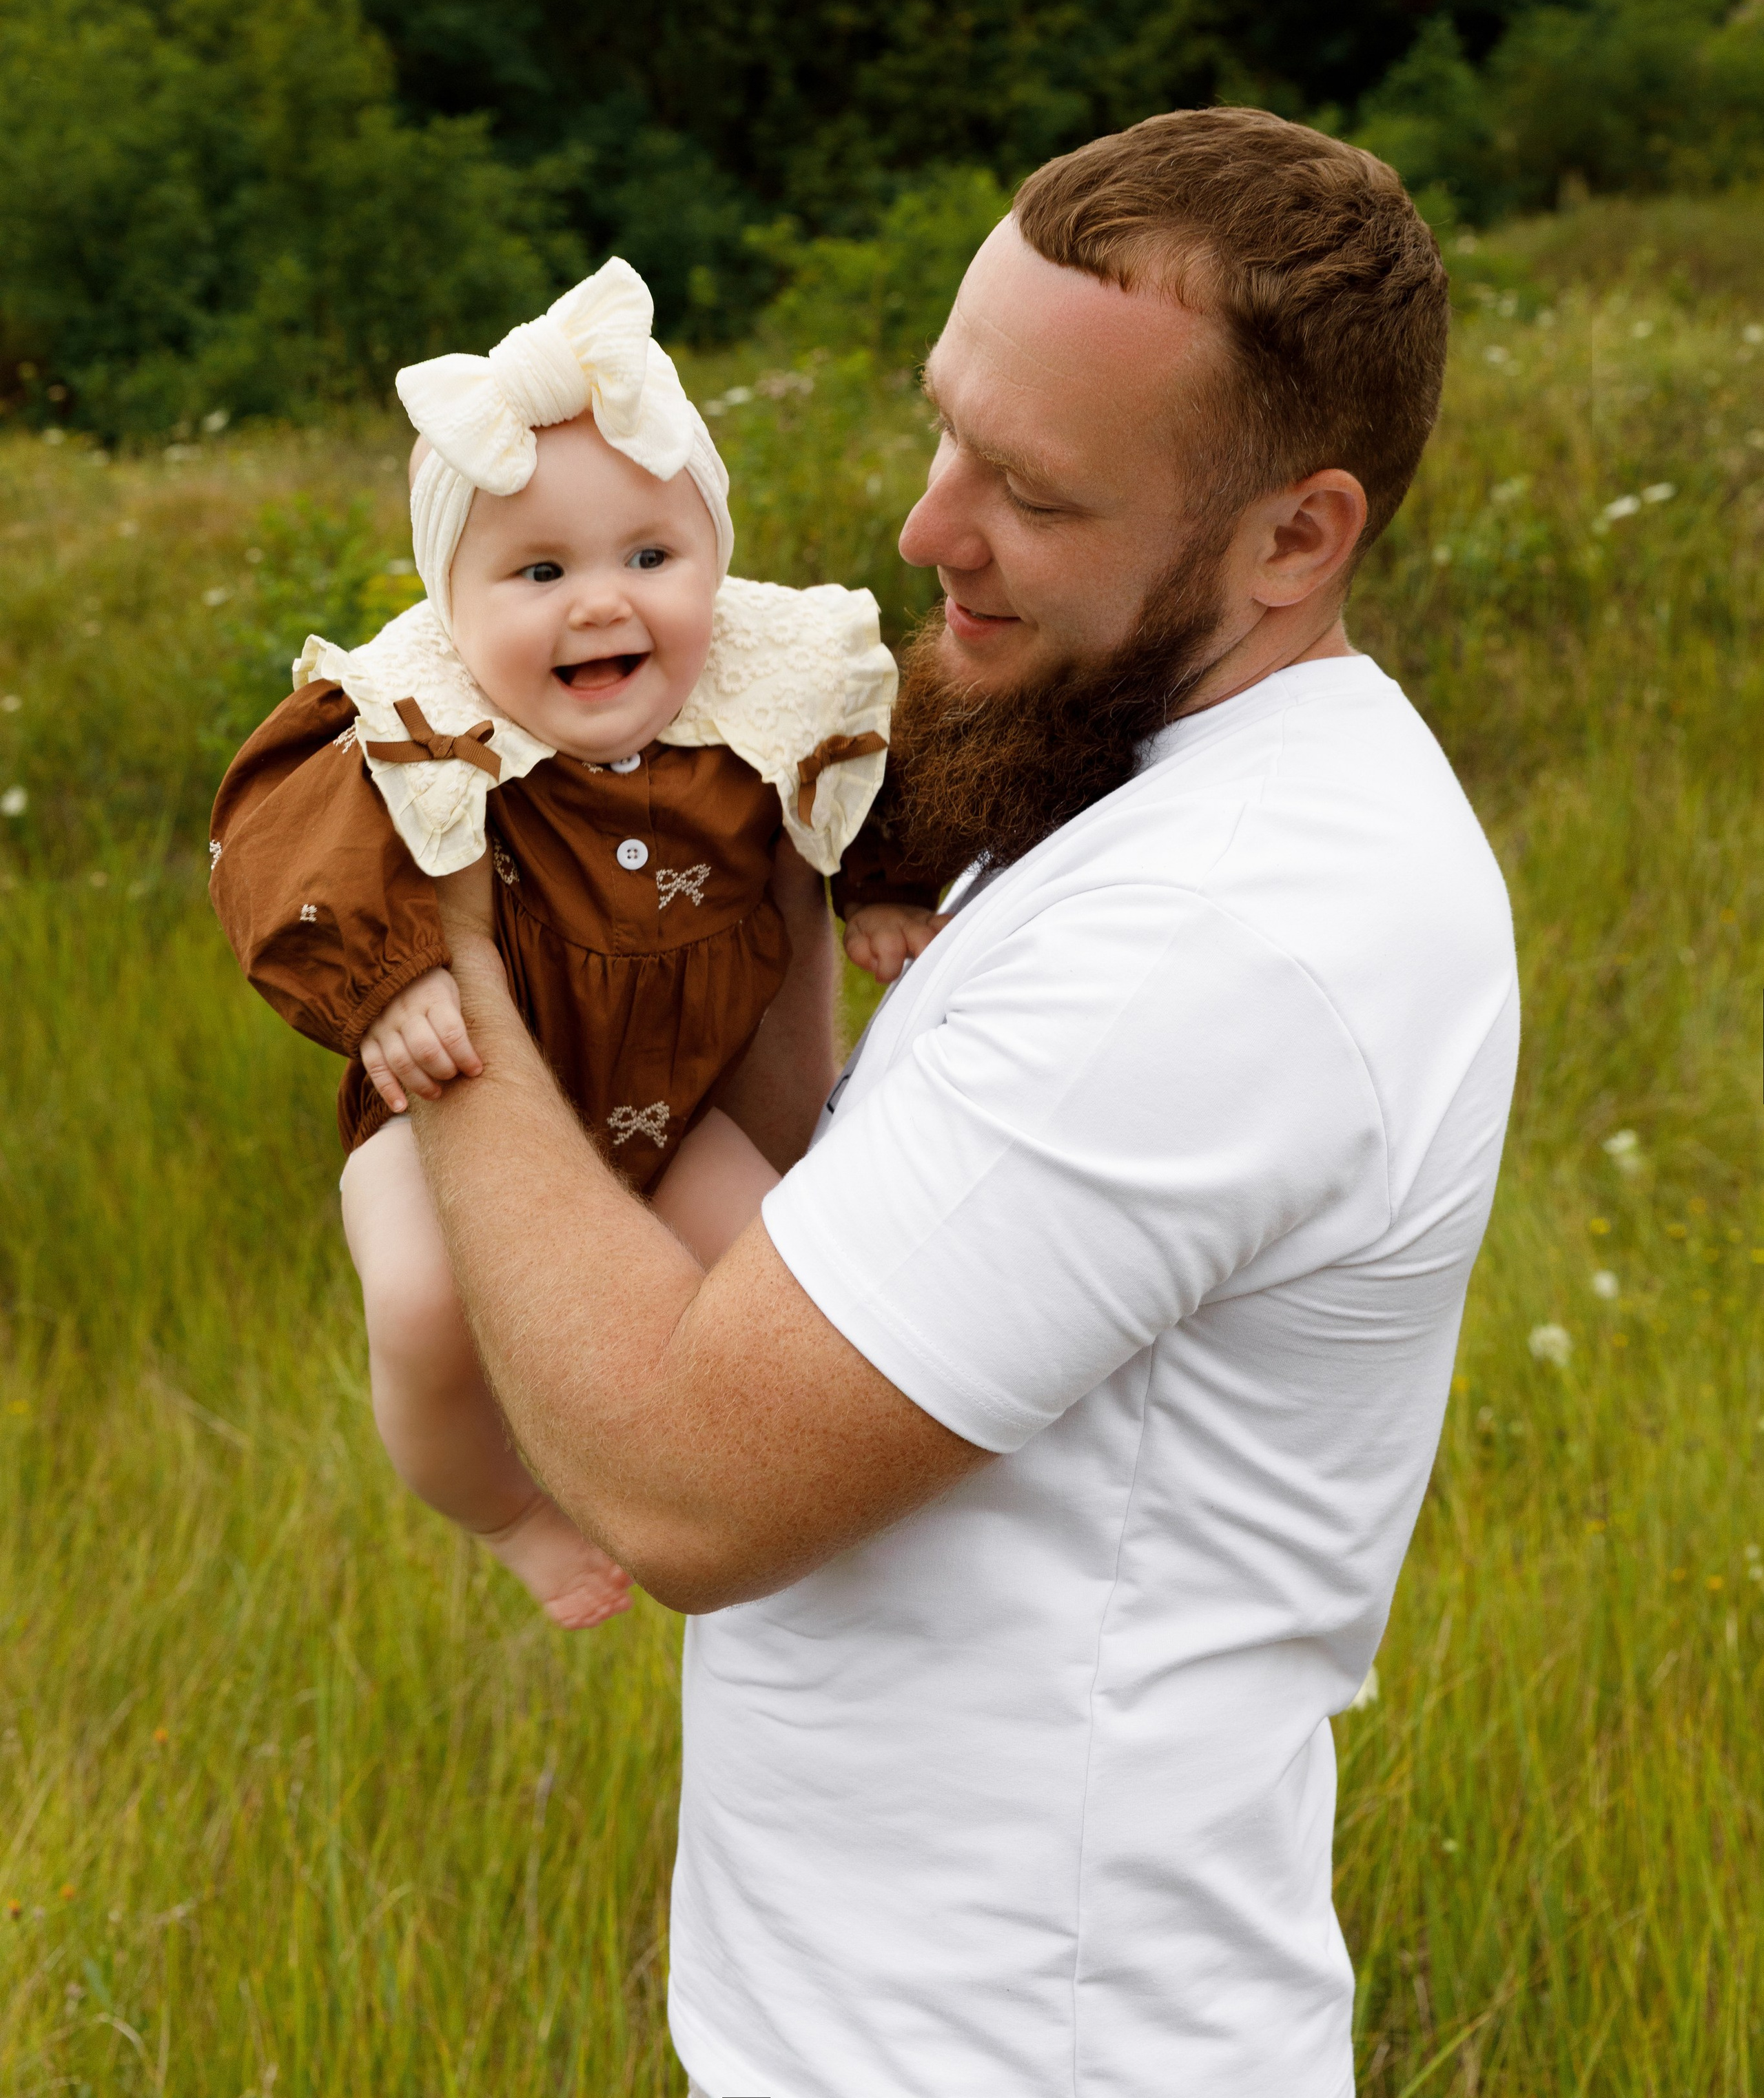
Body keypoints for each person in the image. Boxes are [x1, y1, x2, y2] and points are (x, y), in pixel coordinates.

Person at [404, 110, 1521, 2098]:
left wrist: (435, 945)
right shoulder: (1127, 764)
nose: (931, 528)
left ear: (1297, 534)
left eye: (1033, 491)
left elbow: (683, 1480)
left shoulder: (1228, 935)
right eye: (946, 431)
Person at [208, 258, 940, 1630]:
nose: (600, 603)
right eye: (538, 571)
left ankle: (807, 1522)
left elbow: (856, 765)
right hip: (444, 1100)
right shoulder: (412, 716)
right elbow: (278, 849)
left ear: (713, 565)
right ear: (450, 602)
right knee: (424, 1311)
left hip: (680, 1094)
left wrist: (880, 880)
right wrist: (390, 987)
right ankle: (504, 1513)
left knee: (783, 1287)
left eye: (648, 558)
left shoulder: (762, 685)